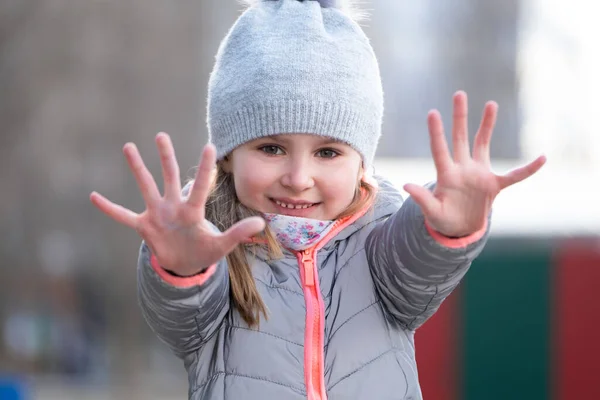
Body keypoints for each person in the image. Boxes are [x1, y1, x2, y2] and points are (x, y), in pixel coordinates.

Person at [90, 0, 546, 398]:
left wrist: (451, 228)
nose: (298, 177)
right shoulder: (214, 249)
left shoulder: (379, 240)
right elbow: (182, 317)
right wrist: (182, 269)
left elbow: (414, 266)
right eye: (271, 148)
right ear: (228, 157)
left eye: (328, 152)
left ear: (361, 164)